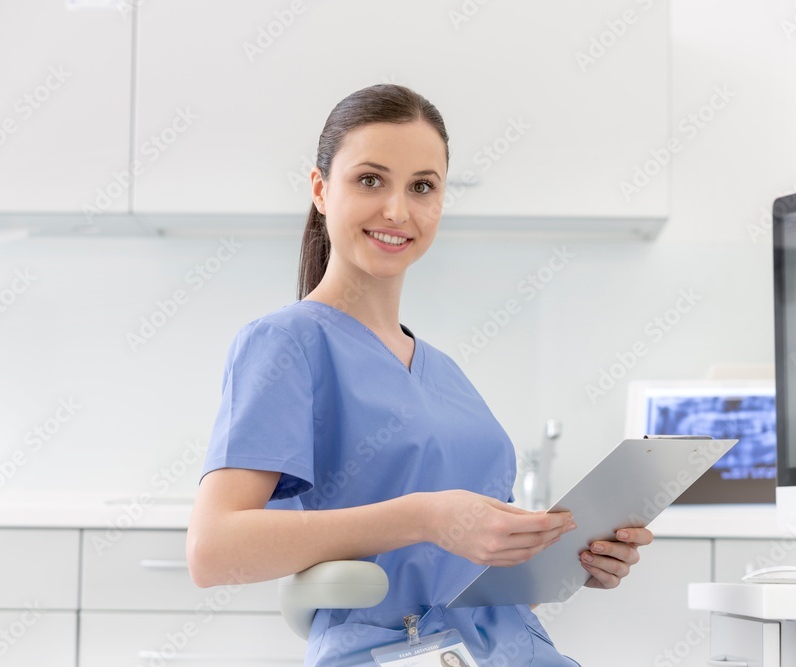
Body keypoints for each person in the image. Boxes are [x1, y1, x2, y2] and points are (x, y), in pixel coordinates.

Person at [187, 83, 653, 666]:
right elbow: (213, 550)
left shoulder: (445, 372)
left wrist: (570, 562)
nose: (397, 211)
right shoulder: (287, 344)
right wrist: (424, 518)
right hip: (396, 651)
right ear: (320, 190)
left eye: (422, 187)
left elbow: (469, 565)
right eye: (370, 180)